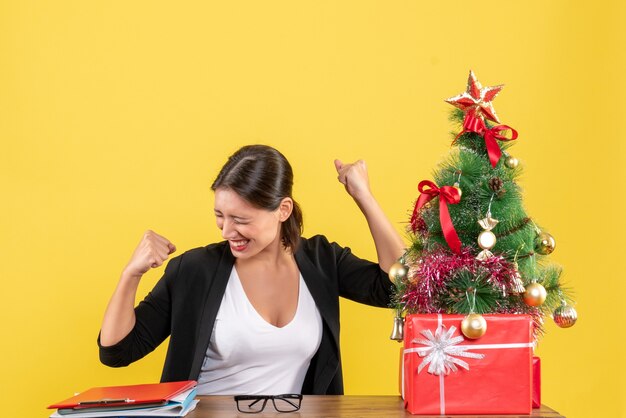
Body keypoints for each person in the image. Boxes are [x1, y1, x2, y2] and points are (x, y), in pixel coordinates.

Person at [98, 144, 405, 395]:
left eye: (241, 220)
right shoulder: (194, 270)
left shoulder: (322, 261)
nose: (226, 231)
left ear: (283, 210)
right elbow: (118, 351)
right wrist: (131, 274)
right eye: (220, 216)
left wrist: (364, 196)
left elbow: (399, 286)